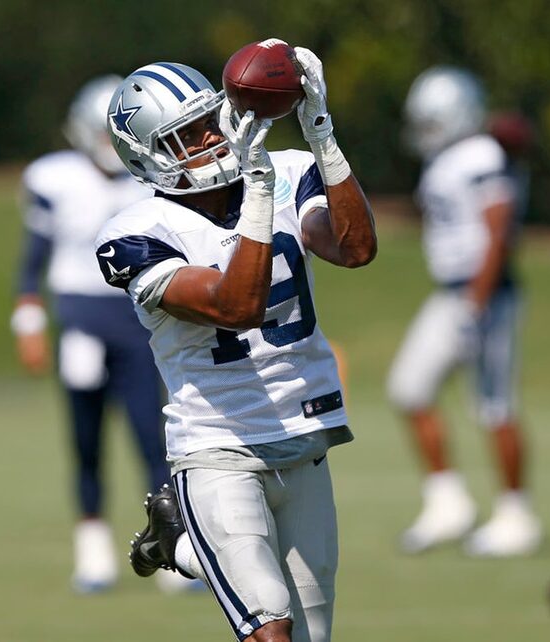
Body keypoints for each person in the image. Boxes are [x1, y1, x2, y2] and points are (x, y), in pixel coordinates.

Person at [94, 48, 376, 642]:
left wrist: (322, 136)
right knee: (268, 631)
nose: (211, 140)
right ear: (149, 156)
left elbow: (354, 249)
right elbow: (235, 305)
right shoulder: (136, 234)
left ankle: (184, 545)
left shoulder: (290, 169)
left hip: (303, 438)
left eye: (209, 122)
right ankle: (191, 540)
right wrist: (257, 193)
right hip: (218, 448)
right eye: (186, 136)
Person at [11, 76, 172, 593]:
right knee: (86, 438)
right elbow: (32, 259)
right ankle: (93, 551)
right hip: (80, 322)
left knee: (155, 438)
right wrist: (29, 320)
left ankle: (172, 548)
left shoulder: (151, 177)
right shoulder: (53, 177)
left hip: (141, 322)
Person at [386, 66, 541, 557]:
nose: (427, 131)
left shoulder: (480, 156)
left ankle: (517, 514)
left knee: (494, 404)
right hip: (451, 291)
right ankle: (447, 502)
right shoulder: (448, 158)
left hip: (485, 292)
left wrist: (478, 295)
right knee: (409, 388)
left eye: (434, 120)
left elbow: (498, 229)